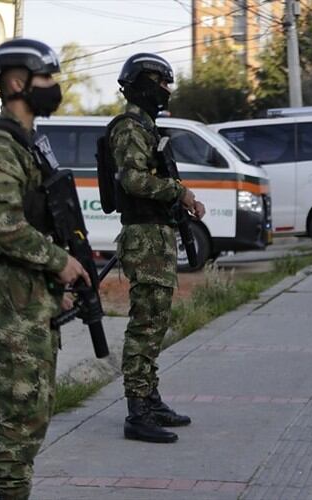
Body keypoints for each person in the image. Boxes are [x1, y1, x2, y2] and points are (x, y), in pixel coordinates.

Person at [0, 38, 90, 500]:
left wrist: (54, 281)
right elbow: (1, 226)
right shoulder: (0, 145)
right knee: (20, 408)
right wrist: (60, 263)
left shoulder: (29, 144)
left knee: (37, 406)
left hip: (32, 290)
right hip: (13, 291)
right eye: (47, 78)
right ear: (17, 83)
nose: (54, 86)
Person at [111, 53, 206, 443]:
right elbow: (132, 180)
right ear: (144, 83)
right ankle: (137, 412)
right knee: (145, 325)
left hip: (157, 233)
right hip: (144, 236)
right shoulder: (130, 128)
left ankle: (150, 398)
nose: (166, 90)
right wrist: (178, 191)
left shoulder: (148, 127)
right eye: (161, 83)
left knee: (156, 322)